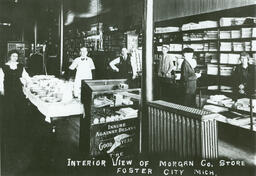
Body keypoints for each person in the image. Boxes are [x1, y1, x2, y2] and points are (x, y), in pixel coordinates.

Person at [0, 50, 30, 135]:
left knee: (19, 107)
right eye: (13, 56)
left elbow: (26, 76)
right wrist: (1, 89)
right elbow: (0, 79)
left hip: (18, 89)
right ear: (9, 56)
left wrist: (29, 82)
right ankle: (10, 128)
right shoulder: (3, 67)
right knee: (9, 108)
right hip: (8, 89)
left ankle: (19, 127)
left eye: (16, 56)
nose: (15, 58)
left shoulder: (20, 66)